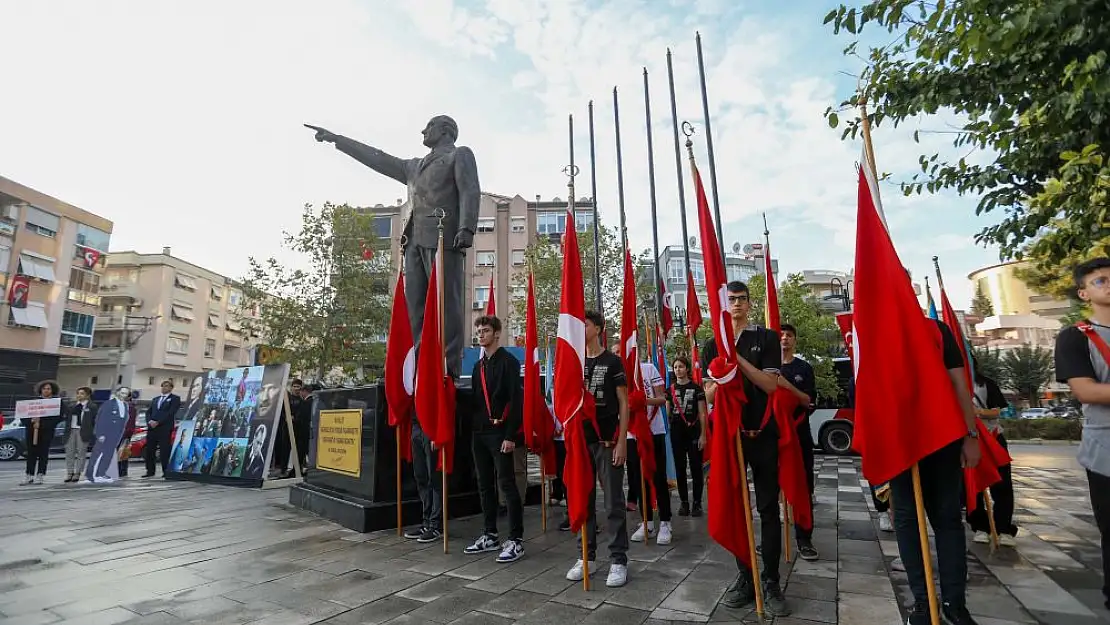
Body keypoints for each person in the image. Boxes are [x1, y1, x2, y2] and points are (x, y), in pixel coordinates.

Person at [701, 281, 789, 616]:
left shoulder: (765, 338)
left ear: (749, 304)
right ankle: (746, 575)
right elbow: (706, 395)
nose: (736, 304)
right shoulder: (712, 345)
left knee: (768, 509)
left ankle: (771, 581)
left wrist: (736, 360)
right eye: (730, 300)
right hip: (730, 437)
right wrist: (720, 376)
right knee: (736, 508)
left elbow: (770, 385)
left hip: (763, 434)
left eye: (741, 299)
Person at [891, 317, 982, 625]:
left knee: (947, 520)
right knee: (906, 521)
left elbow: (958, 383)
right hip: (900, 443)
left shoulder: (937, 330)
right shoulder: (871, 330)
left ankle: (955, 604)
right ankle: (921, 602)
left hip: (942, 438)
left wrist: (971, 435)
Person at [1055, 257, 1110, 612]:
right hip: (1105, 450)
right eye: (1101, 281)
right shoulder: (1075, 338)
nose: (1109, 285)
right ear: (1083, 293)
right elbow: (1087, 391)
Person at [565, 311, 631, 588]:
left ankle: (618, 560)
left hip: (607, 442)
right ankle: (586, 555)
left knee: (613, 502)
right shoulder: (575, 361)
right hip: (582, 442)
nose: (582, 329)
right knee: (584, 499)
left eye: (586, 324)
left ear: (598, 328)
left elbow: (624, 403)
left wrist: (622, 441)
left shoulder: (613, 361)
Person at [464, 315, 526, 563]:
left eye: (486, 330)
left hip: (501, 433)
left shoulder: (509, 362)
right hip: (479, 434)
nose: (481, 334)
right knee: (484, 485)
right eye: (479, 331)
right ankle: (490, 534)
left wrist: (511, 435)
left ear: (497, 334)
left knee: (507, 485)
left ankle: (516, 539)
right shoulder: (478, 367)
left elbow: (516, 400)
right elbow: (475, 401)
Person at [779, 323, 820, 562]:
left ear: (794, 340)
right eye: (781, 335)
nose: (784, 339)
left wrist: (787, 387)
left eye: (789, 335)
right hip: (774, 436)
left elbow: (808, 401)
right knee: (771, 489)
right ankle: (773, 539)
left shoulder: (803, 368)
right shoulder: (767, 369)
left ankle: (804, 539)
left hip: (799, 435)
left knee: (803, 486)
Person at [967, 358, 1017, 546]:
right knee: (974, 485)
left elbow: (997, 411)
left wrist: (977, 412)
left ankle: (1003, 528)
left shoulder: (986, 384)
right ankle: (980, 527)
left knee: (1002, 484)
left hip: (992, 439)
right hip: (969, 441)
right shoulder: (952, 385)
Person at [629, 360, 673, 545]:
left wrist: (643, 401)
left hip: (654, 430)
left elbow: (663, 398)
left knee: (658, 477)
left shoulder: (647, 368)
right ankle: (646, 521)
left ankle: (665, 521)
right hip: (631, 433)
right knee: (638, 480)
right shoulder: (619, 371)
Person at [667, 356, 707, 518]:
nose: (678, 370)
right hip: (677, 433)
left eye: (681, 367)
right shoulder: (670, 390)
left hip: (694, 432)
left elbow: (703, 413)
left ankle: (697, 503)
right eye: (676, 367)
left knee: (697, 468)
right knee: (680, 468)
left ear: (687, 369)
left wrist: (703, 434)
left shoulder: (697, 389)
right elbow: (667, 413)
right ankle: (684, 502)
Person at [20, 381, 63, 485]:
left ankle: (40, 475)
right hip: (31, 431)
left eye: (48, 389)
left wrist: (42, 424)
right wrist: (31, 422)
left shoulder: (56, 403)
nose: (46, 390)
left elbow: (59, 418)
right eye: (44, 388)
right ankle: (29, 475)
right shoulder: (34, 402)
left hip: (46, 432)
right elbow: (23, 415)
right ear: (40, 390)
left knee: (43, 453)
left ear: (52, 390)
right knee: (31, 453)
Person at [143, 380, 181, 478]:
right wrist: (150, 421)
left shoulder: (175, 399)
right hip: (152, 428)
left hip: (164, 428)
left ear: (171, 388)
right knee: (150, 450)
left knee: (164, 450)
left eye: (167, 386)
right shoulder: (156, 399)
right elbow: (149, 412)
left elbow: (170, 412)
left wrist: (158, 422)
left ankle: (166, 471)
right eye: (163, 386)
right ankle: (150, 471)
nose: (164, 388)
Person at [63, 386, 97, 483]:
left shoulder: (92, 406)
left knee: (81, 453)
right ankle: (69, 473)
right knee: (70, 453)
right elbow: (66, 417)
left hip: (83, 431)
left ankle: (77, 473)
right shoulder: (72, 405)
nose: (79, 395)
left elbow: (94, 421)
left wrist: (92, 432)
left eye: (82, 393)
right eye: (78, 393)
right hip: (71, 430)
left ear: (88, 395)